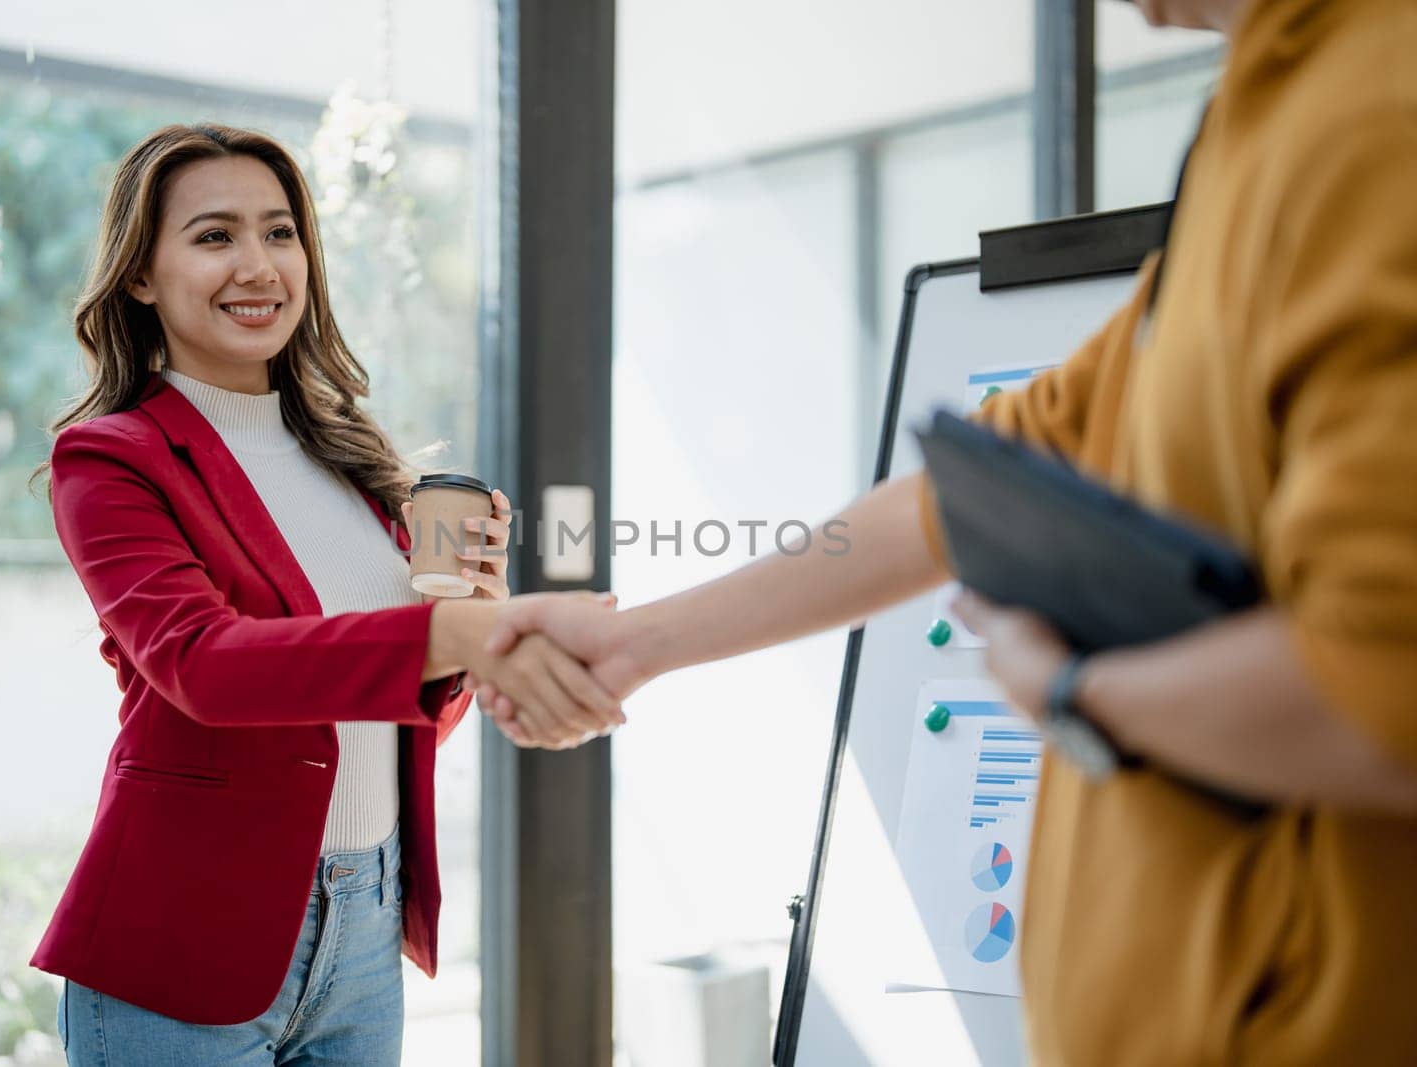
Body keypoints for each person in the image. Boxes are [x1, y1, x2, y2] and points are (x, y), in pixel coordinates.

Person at [471, 0, 1417, 1060]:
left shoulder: (1375, 105)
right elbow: (964, 488)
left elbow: (1382, 687)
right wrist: (640, 640)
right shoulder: (1261, 115)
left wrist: (1069, 692)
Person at [29, 123, 620, 1066]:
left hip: (363, 926)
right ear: (141, 273)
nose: (258, 266)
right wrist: (448, 633)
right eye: (214, 236)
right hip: (184, 933)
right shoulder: (109, 460)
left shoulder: (352, 462)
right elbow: (202, 665)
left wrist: (463, 637)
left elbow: (381, 717)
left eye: (280, 232)